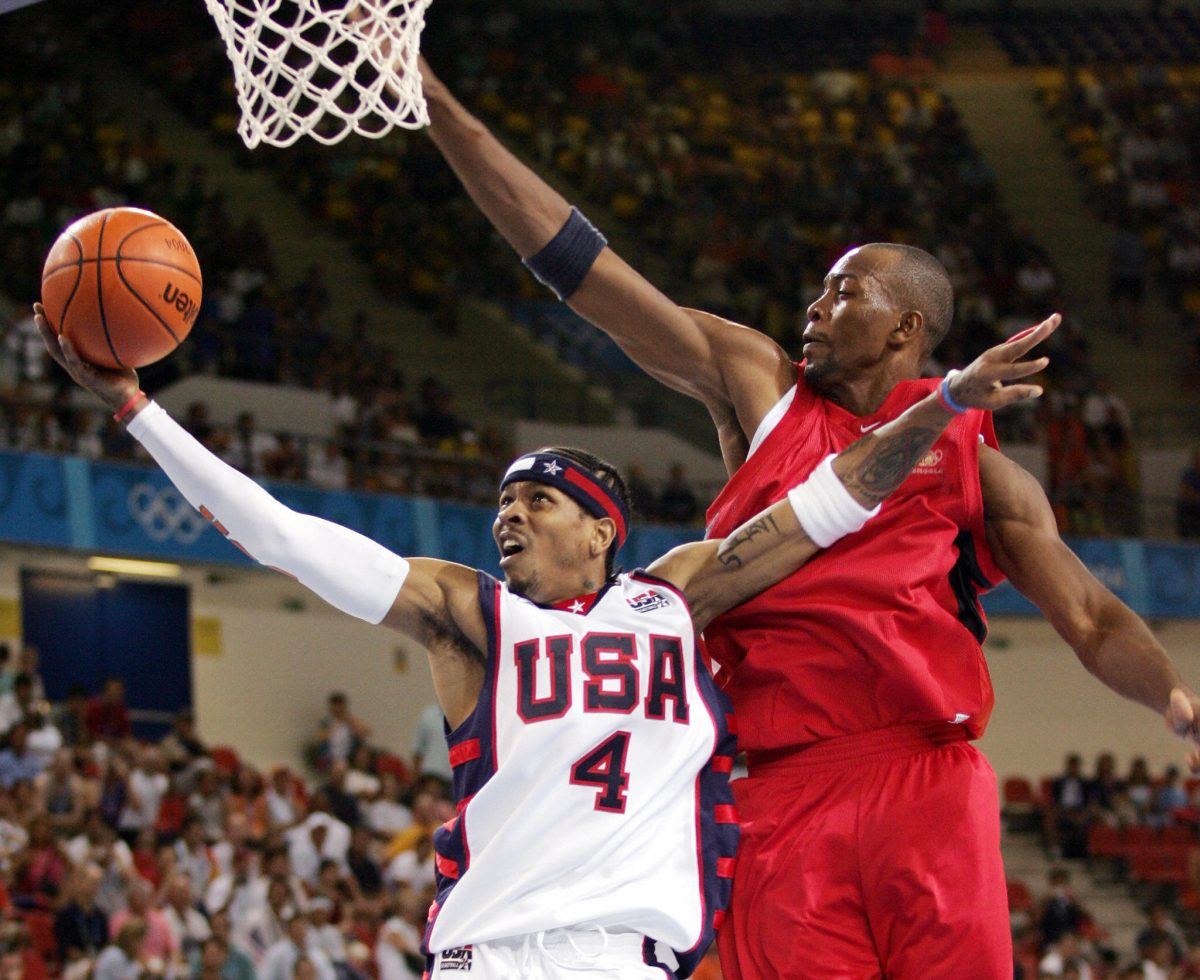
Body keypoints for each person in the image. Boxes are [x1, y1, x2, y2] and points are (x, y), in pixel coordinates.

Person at [413, 59, 1200, 979]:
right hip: (774, 788)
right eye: (820, 292)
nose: (815, 309)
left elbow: (1093, 618)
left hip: (923, 772)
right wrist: (438, 106)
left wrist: (1175, 702)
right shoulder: (762, 390)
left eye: (844, 293)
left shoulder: (978, 465)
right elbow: (589, 278)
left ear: (906, 329)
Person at [35, 301, 1050, 978]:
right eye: (502, 504)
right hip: (490, 952)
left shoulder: (676, 596)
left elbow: (827, 504)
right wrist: (135, 409)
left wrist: (943, 404)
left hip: (627, 958)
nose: (508, 517)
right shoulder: (471, 612)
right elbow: (283, 538)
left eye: (536, 500)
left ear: (603, 529)